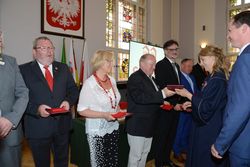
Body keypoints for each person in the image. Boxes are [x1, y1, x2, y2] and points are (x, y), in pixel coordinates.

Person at [19, 36, 79, 167]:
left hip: (62, 127)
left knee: (62, 163)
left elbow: (73, 90)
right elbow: (19, 98)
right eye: (44, 48)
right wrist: (37, 109)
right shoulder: (23, 70)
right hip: (38, 128)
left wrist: (68, 102)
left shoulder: (63, 68)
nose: (49, 51)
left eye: (51, 48)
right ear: (34, 52)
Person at [175, 45, 229, 167]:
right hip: (206, 125)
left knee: (204, 159)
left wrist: (188, 95)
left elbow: (207, 107)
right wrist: (193, 102)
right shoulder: (211, 77)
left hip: (210, 127)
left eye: (203, 60)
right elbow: (204, 98)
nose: (201, 64)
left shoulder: (217, 79)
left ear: (213, 58)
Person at [211, 11, 250, 166]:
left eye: (229, 30)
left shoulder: (246, 59)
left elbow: (241, 107)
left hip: (244, 144)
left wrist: (221, 142)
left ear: (244, 29)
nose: (228, 35)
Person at [125, 54, 175, 167]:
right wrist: (162, 94)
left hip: (149, 124)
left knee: (144, 154)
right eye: (151, 64)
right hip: (138, 125)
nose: (154, 67)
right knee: (136, 156)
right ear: (142, 64)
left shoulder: (151, 78)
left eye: (154, 64)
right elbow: (139, 98)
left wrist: (161, 102)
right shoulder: (135, 77)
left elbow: (150, 97)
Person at [77, 50, 121, 167]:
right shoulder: (90, 84)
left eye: (112, 61)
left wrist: (119, 110)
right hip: (97, 131)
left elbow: (114, 100)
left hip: (113, 127)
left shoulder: (111, 80)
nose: (112, 64)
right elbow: (81, 110)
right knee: (99, 163)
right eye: (109, 61)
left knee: (111, 161)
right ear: (99, 63)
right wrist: (104, 115)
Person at [0, 31, 29, 167]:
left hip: (9, 134)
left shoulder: (11, 62)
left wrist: (10, 119)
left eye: (0, 36)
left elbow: (23, 92)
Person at [152, 39, 182, 167]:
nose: (174, 52)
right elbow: (163, 86)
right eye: (171, 50)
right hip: (166, 107)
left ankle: (166, 160)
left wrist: (180, 103)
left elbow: (178, 87)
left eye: (176, 49)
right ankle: (159, 163)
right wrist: (173, 103)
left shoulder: (176, 65)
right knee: (162, 137)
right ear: (165, 51)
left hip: (176, 107)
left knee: (171, 135)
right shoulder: (160, 65)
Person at [172, 58, 198, 166]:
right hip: (182, 109)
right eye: (187, 66)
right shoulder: (178, 77)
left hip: (192, 109)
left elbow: (195, 91)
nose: (190, 68)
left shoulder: (192, 77)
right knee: (180, 131)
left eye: (191, 66)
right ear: (181, 66)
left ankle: (184, 150)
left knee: (187, 131)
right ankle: (176, 152)